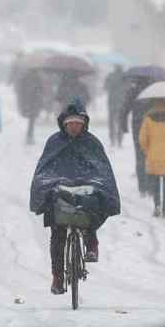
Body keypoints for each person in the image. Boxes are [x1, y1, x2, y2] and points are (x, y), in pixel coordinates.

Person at [30, 101, 121, 295]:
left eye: (78, 123)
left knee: (92, 207)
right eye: (70, 123)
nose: (74, 126)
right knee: (58, 233)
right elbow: (44, 169)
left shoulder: (92, 143)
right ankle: (57, 276)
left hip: (86, 188)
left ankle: (91, 243)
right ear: (64, 124)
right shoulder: (54, 142)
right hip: (60, 189)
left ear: (84, 124)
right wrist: (45, 187)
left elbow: (101, 169)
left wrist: (97, 185)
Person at [120, 77, 156, 197]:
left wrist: (124, 126)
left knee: (140, 156)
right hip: (152, 126)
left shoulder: (133, 90)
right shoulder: (152, 90)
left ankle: (142, 187)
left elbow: (125, 109)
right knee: (150, 156)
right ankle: (151, 186)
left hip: (137, 125)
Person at [16, 70, 45, 145]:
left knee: (31, 120)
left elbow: (21, 91)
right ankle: (29, 136)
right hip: (34, 103)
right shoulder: (38, 79)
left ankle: (29, 136)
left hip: (27, 102)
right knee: (32, 120)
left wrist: (22, 101)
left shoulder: (25, 78)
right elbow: (41, 91)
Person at [103, 64, 125, 147]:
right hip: (122, 102)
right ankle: (120, 140)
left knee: (111, 122)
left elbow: (105, 87)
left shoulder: (110, 76)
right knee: (120, 121)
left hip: (112, 102)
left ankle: (112, 139)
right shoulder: (125, 77)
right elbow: (128, 88)